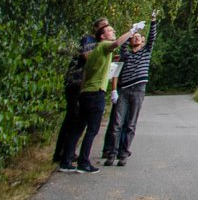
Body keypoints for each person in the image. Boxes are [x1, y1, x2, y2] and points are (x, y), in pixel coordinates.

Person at [60, 18, 142, 173]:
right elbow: (117, 44)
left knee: (78, 128)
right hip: (96, 93)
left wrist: (83, 90)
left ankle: (66, 161)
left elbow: (85, 72)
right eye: (110, 30)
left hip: (86, 93)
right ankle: (84, 163)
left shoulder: (95, 51)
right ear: (102, 36)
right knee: (92, 130)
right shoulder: (105, 46)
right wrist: (132, 31)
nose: (113, 32)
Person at [102, 14, 159, 166]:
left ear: (143, 41)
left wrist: (153, 21)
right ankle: (112, 153)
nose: (136, 39)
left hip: (138, 90)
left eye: (139, 37)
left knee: (131, 124)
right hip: (125, 90)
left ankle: (123, 154)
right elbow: (123, 45)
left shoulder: (146, 52)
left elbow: (152, 37)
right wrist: (131, 31)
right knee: (117, 123)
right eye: (134, 37)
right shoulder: (126, 54)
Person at [53, 22, 99, 167]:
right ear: (97, 28)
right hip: (75, 82)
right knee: (73, 117)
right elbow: (86, 57)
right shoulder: (88, 40)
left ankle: (67, 152)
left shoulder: (96, 43)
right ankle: (61, 153)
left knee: (76, 118)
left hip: (82, 84)